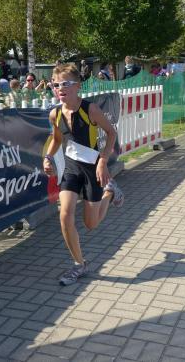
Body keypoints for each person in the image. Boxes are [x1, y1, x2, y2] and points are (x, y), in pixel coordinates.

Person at [43, 63, 124, 286]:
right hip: (71, 169)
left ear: (77, 86)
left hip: (92, 169)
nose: (60, 88)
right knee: (65, 215)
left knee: (91, 224)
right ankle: (79, 264)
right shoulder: (55, 114)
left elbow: (111, 133)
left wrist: (103, 161)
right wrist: (48, 157)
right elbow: (57, 140)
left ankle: (109, 193)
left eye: (65, 84)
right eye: (56, 84)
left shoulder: (90, 110)